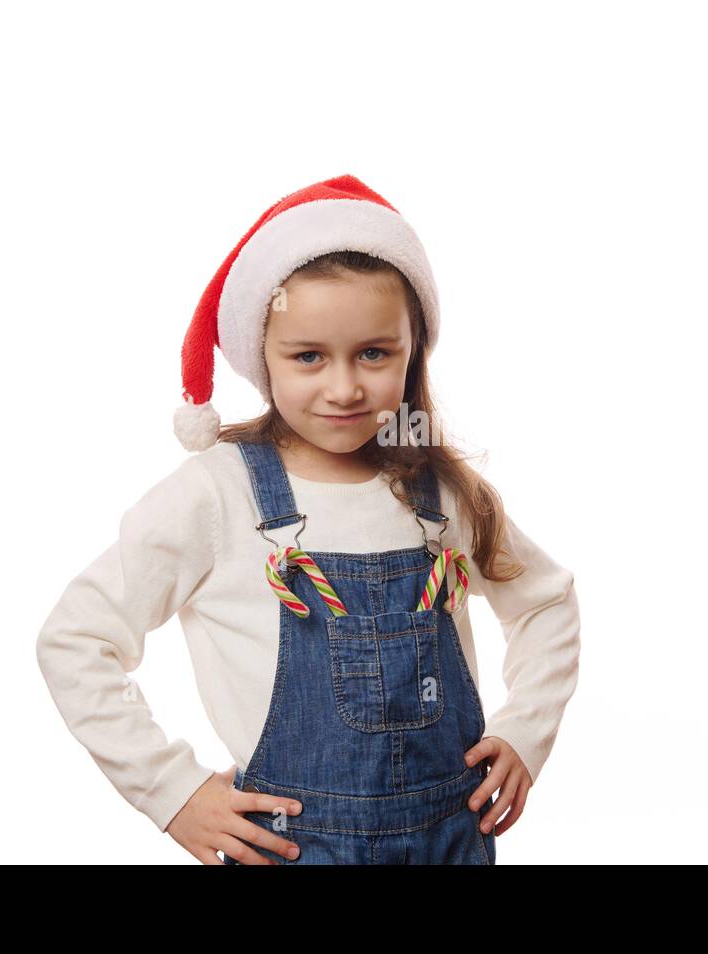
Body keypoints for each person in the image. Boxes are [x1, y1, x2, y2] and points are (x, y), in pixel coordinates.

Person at [35, 174, 581, 864]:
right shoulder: (216, 496)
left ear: (414, 351)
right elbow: (76, 638)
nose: (345, 387)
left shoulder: (439, 495)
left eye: (375, 353)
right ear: (262, 357)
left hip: (451, 840)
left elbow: (547, 602)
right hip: (292, 849)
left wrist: (526, 733)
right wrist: (170, 790)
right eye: (309, 357)